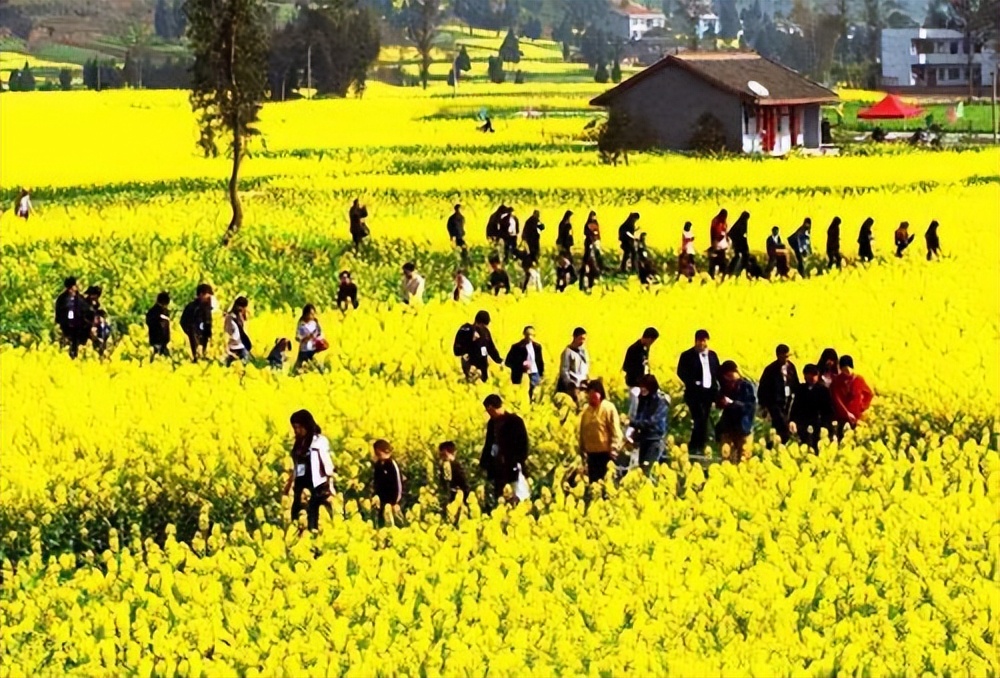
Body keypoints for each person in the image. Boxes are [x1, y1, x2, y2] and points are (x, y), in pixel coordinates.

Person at [284, 410, 334, 531]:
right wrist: (290, 484)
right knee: (297, 511)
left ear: (306, 425)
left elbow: (327, 464)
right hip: (302, 482)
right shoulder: (299, 443)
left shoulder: (319, 441)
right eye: (294, 427)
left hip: (316, 483)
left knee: (314, 514)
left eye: (298, 427)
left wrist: (330, 484)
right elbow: (298, 466)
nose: (296, 430)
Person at [676, 329, 720, 455]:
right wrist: (693, 383)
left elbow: (716, 372)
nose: (702, 344)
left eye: (704, 341)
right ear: (695, 341)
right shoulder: (687, 356)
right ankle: (696, 446)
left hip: (708, 393)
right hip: (694, 394)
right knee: (699, 418)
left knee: (704, 419)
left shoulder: (713, 356)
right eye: (699, 341)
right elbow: (681, 372)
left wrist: (716, 390)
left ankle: (698, 445)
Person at [479, 394, 529, 502]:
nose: (488, 414)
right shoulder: (492, 423)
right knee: (500, 497)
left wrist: (518, 461)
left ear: (491, 408)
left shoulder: (515, 421)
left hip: (513, 466)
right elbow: (488, 444)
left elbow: (523, 444)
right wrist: (484, 463)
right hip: (497, 468)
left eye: (488, 411)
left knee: (517, 496)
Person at [579, 379, 624, 483]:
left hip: (606, 454)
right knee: (594, 483)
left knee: (606, 482)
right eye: (589, 393)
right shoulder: (586, 412)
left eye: (595, 392)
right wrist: (582, 450)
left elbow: (615, 430)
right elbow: (583, 432)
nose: (592, 396)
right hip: (592, 455)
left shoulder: (608, 408)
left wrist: (614, 448)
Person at [715, 361, 757, 464]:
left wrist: (732, 403)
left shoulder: (746, 386)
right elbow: (719, 402)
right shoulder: (725, 386)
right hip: (728, 427)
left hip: (743, 428)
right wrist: (721, 402)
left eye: (729, 375)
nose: (727, 379)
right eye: (726, 377)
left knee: (744, 459)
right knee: (726, 458)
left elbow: (749, 407)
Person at [758, 344, 800, 445]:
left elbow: (795, 383)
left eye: (788, 356)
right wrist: (763, 405)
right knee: (781, 424)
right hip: (775, 402)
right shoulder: (770, 370)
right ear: (778, 355)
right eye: (784, 356)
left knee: (788, 421)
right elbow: (763, 388)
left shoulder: (791, 367)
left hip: (789, 400)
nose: (786, 359)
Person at [788, 364, 835, 451]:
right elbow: (795, 407)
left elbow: (828, 410)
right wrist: (792, 421)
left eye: (814, 375)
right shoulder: (801, 389)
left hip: (818, 424)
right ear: (805, 376)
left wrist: (826, 426)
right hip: (803, 425)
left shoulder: (823, 390)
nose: (812, 377)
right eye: (809, 374)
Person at [629, 373, 670, 472]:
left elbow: (653, 421)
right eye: (641, 387)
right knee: (641, 468)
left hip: (655, 439)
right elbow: (639, 415)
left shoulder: (660, 401)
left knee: (648, 469)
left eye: (645, 387)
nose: (642, 389)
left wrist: (635, 423)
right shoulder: (642, 399)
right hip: (643, 438)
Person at [831, 355, 873, 435]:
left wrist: (862, 407)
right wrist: (847, 413)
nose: (847, 372)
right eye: (844, 370)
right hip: (841, 417)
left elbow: (869, 394)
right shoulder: (837, 381)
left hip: (856, 416)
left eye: (848, 369)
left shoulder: (859, 379)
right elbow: (837, 399)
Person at [456, 310, 502, 383]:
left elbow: (491, 349)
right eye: (483, 325)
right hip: (469, 361)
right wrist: (470, 335)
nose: (484, 328)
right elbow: (457, 348)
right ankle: (471, 374)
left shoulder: (485, 333)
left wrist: (499, 360)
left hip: (481, 363)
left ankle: (479, 374)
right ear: (478, 323)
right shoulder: (467, 329)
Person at [622, 327, 659, 417]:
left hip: (643, 385)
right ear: (649, 338)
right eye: (652, 341)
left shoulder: (645, 349)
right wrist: (638, 377)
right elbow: (626, 367)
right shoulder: (633, 349)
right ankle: (630, 428)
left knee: (643, 410)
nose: (652, 344)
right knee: (634, 410)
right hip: (634, 384)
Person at [505, 325, 545, 400]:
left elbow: (540, 361)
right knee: (520, 396)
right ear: (524, 334)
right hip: (521, 374)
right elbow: (508, 361)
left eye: (532, 335)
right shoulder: (516, 347)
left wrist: (542, 373)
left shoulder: (537, 347)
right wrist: (521, 364)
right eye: (528, 334)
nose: (530, 337)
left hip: (534, 373)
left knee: (534, 394)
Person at [180, 284, 214, 363]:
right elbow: (183, 322)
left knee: (204, 358)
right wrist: (190, 332)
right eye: (207, 294)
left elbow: (208, 322)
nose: (209, 297)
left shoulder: (207, 307)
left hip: (204, 338)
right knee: (197, 358)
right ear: (201, 294)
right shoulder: (191, 307)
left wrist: (209, 336)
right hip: (194, 337)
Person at [558, 327, 590, 405]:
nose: (582, 341)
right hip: (572, 387)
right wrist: (569, 384)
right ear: (575, 337)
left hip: (582, 386)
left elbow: (586, 367)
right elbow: (564, 370)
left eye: (584, 339)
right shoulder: (567, 352)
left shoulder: (584, 351)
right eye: (581, 338)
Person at [372, 440, 404, 518]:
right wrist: (375, 495)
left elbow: (398, 485)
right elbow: (376, 482)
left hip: (393, 502)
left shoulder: (392, 465)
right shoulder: (378, 465)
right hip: (381, 501)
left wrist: (395, 502)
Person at [438, 441, 470, 506]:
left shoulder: (456, 466)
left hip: (458, 501)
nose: (440, 457)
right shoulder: (445, 466)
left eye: (442, 454)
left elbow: (464, 485)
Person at [295, 304, 326, 369]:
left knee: (316, 368)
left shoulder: (315, 322)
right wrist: (304, 338)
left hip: (314, 350)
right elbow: (297, 337)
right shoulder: (301, 323)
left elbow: (321, 334)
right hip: (304, 350)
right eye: (311, 314)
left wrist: (316, 339)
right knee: (299, 368)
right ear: (306, 314)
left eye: (313, 314)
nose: (313, 316)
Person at [223, 296, 251, 366]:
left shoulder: (242, 318)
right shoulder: (230, 318)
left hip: (242, 346)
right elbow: (226, 333)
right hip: (233, 347)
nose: (240, 309)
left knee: (246, 368)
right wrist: (227, 348)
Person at [145, 291, 171, 359]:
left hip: (164, 343)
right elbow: (150, 324)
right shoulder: (153, 312)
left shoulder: (165, 312)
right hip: (156, 342)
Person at [727, 211, 751, 277]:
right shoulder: (742, 223)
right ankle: (738, 271)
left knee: (739, 256)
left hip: (739, 243)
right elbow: (736, 234)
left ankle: (733, 270)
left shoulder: (740, 223)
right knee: (743, 256)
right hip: (740, 243)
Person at [708, 209, 729, 278]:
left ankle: (721, 274)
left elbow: (725, 231)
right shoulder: (716, 221)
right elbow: (715, 232)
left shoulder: (723, 222)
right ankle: (714, 275)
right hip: (716, 244)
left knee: (721, 260)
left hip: (721, 245)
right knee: (715, 260)